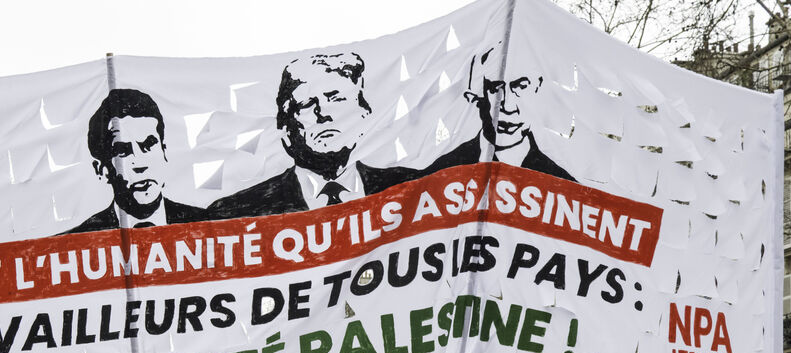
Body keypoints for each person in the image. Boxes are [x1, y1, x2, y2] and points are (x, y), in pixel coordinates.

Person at [208, 52, 410, 220]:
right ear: (286, 130)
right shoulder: (235, 213)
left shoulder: (410, 187)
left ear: (363, 114)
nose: (323, 113)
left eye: (336, 99)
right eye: (306, 105)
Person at [420, 42, 574, 181]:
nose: (507, 107)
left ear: (538, 91)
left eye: (521, 87)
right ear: (475, 96)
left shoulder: (565, 186)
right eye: (495, 88)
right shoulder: (435, 177)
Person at [69, 88, 203, 233]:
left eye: (149, 145)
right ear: (102, 170)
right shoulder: (77, 240)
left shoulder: (206, 224)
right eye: (123, 151)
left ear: (164, 152)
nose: (140, 164)